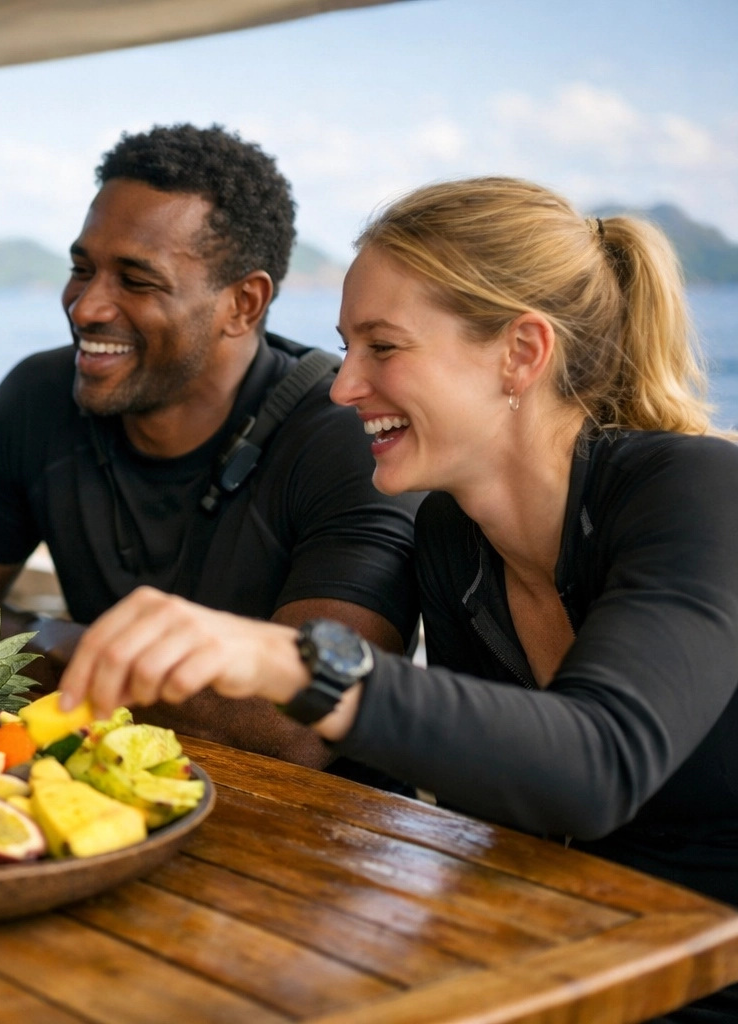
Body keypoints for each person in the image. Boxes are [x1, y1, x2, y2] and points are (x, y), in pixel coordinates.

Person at [60, 177, 738, 985]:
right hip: (580, 965)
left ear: (521, 353)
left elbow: (597, 767)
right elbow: (494, 815)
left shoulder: (697, 490)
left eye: (382, 348)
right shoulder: (452, 537)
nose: (344, 386)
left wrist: (294, 662)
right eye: (345, 348)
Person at [0, 124, 420, 768]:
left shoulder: (343, 434)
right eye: (82, 269)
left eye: (137, 280)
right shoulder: (37, 397)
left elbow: (300, 722)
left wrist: (57, 647)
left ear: (244, 302)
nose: (87, 307)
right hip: (106, 788)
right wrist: (77, 644)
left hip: (315, 827)